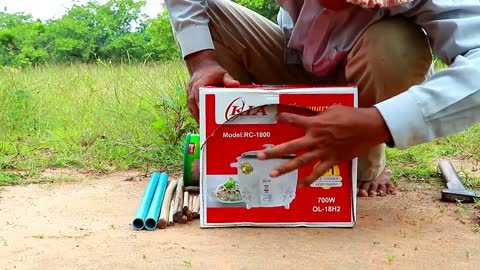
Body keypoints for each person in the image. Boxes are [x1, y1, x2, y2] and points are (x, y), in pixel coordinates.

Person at [164, 0, 480, 197]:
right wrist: (203, 60)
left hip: (364, 82)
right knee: (214, 15)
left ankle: (364, 164)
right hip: (292, 61)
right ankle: (255, 149)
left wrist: (381, 122)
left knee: (397, 48)